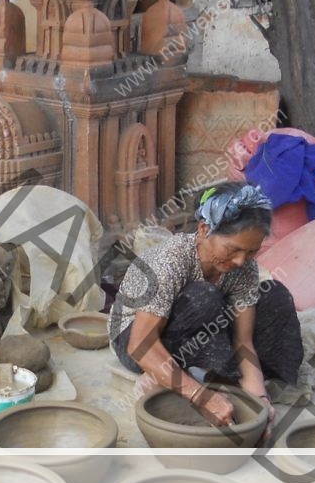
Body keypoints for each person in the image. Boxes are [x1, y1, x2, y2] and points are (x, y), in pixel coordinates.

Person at [109, 181, 303, 430]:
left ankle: (200, 377)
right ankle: (164, 375)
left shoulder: (244, 268)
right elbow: (140, 345)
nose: (241, 260)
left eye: (251, 252)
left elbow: (243, 343)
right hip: (134, 339)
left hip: (198, 323)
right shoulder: (171, 261)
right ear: (203, 230)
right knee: (205, 297)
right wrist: (202, 398)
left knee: (275, 296)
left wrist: (260, 401)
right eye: (232, 249)